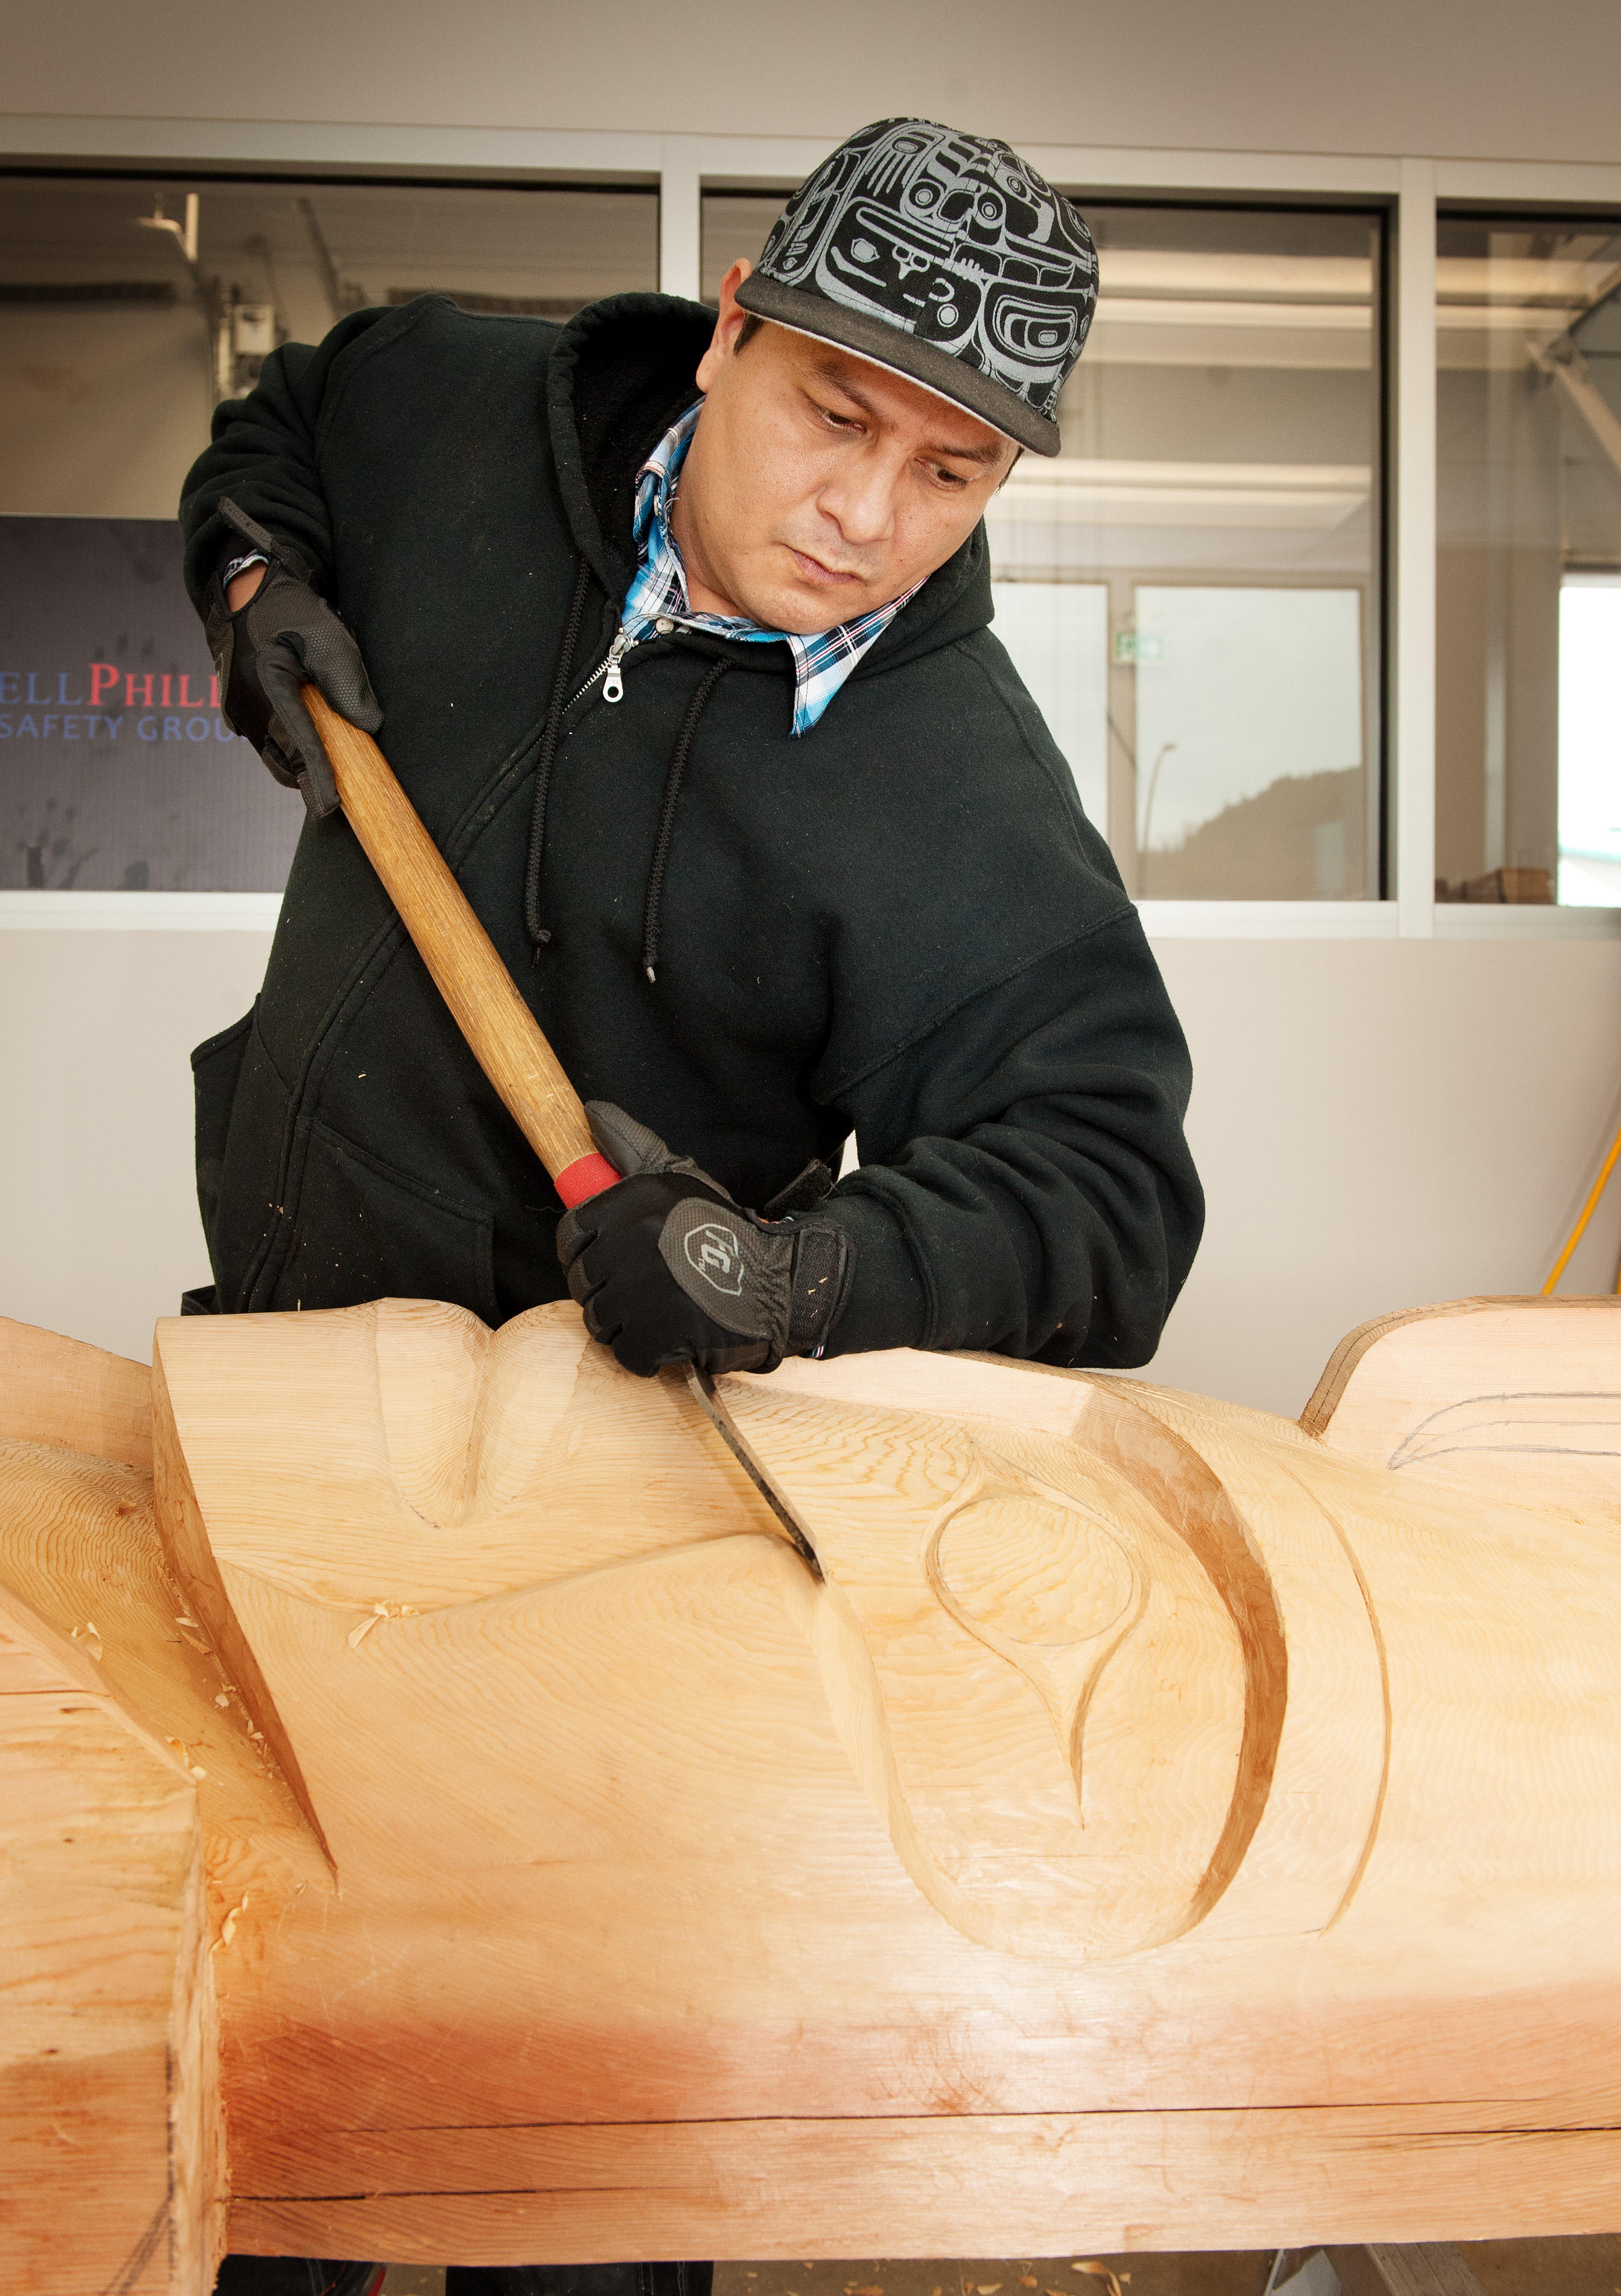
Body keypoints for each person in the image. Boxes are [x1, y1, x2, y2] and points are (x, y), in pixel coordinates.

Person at [181, 119, 1204, 2296]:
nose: (866, 519)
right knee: (267, 2125)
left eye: (953, 476)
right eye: (838, 417)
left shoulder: (957, 797)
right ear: (735, 320)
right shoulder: (464, 405)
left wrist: (786, 1266)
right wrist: (256, 582)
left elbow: (1110, 1193)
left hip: (603, 1543)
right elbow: (282, 424)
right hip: (273, 1416)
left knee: (580, 2183)